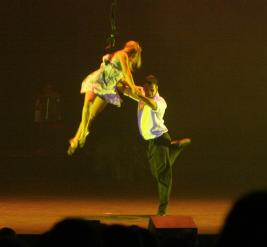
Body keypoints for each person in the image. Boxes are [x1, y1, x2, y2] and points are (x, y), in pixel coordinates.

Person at [122, 74, 191, 215]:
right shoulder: (142, 96)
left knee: (163, 175)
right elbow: (126, 91)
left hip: (160, 138)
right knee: (157, 172)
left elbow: (151, 104)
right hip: (152, 142)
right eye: (147, 90)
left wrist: (140, 95)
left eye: (152, 90)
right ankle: (175, 148)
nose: (150, 92)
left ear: (156, 88)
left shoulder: (160, 102)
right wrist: (120, 83)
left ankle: (162, 209)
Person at [67, 40, 142, 155]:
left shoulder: (123, 58)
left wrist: (134, 88)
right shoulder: (122, 55)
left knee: (90, 113)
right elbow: (127, 74)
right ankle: (80, 136)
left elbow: (124, 80)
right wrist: (133, 86)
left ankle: (77, 138)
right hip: (98, 81)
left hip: (106, 87)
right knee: (88, 107)